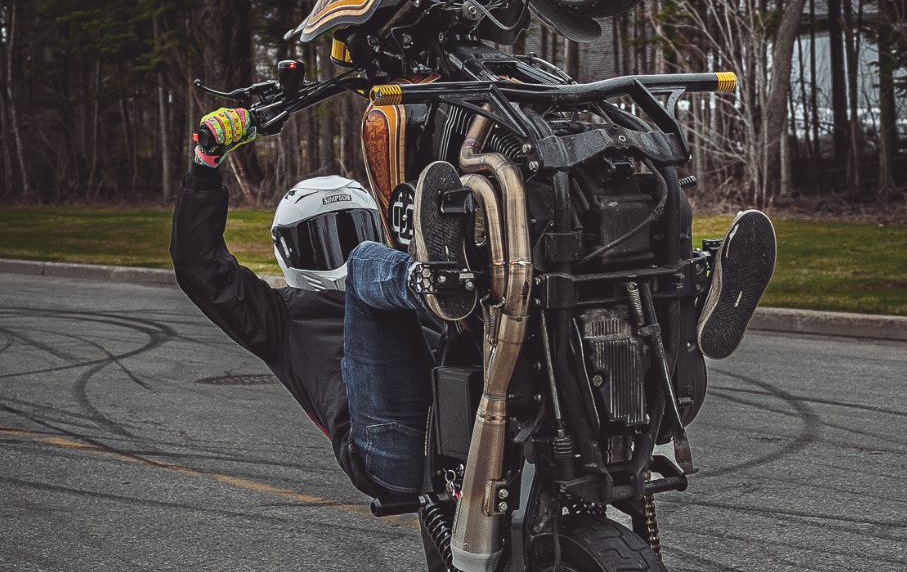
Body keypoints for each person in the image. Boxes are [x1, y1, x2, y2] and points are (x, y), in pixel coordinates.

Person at [171, 105, 776, 506]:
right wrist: (205, 165)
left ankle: (681, 297)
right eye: (319, 236)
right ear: (286, 251)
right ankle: (437, 278)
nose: (341, 246)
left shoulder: (386, 279)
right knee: (374, 273)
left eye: (352, 227)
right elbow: (202, 268)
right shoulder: (279, 317)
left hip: (468, 417)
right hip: (391, 447)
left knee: (518, 278)